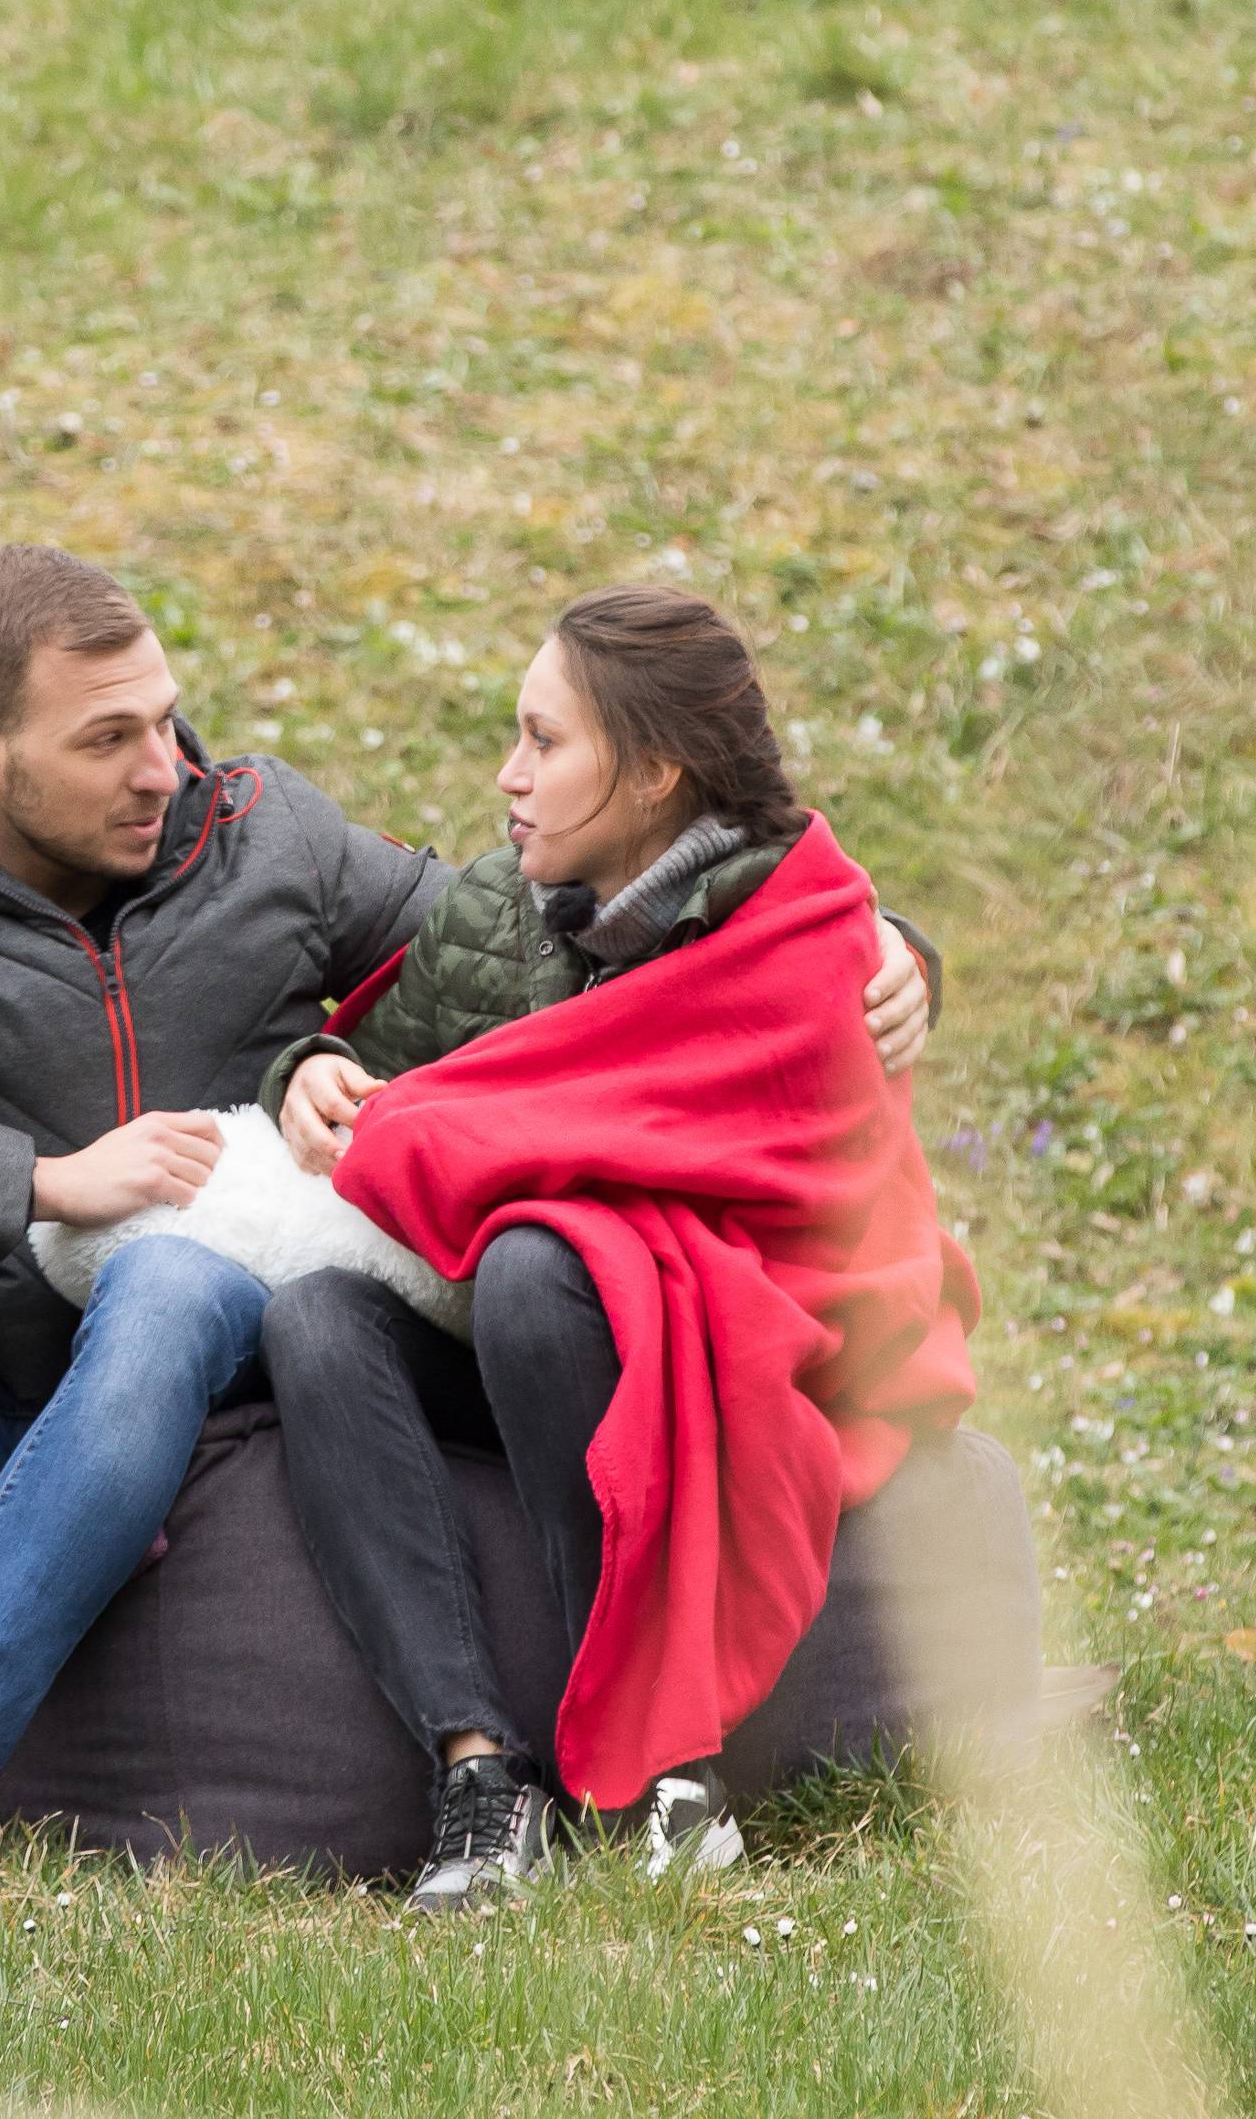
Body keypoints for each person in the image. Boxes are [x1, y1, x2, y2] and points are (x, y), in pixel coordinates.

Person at [0, 547, 934, 1894]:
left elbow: (547, 935)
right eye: (108, 739)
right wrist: (37, 1180)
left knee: (170, 1272)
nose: (163, 766)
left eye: (164, 718)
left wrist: (876, 945)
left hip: (204, 1358)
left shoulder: (259, 834)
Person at [258, 586, 974, 1916]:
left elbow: (819, 1194)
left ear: (651, 771)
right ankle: (482, 1772)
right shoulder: (502, 911)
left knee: (541, 1257)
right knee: (315, 1315)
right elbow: (400, 1088)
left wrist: (908, 950)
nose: (507, 775)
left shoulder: (811, 940)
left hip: (737, 1346)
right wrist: (309, 1072)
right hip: (565, 1340)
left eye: (544, 740)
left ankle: (656, 1773)